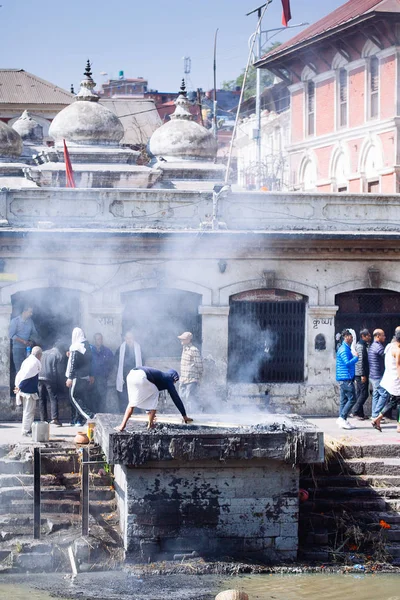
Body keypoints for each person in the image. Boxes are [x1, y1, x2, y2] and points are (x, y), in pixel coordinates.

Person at [115, 367, 193, 431]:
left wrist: (149, 411)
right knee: (155, 393)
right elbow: (176, 398)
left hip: (131, 374)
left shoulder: (161, 375)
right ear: (174, 378)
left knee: (132, 403)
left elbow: (147, 394)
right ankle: (150, 424)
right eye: (175, 382)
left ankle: (122, 425)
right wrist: (184, 415)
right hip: (142, 377)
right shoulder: (169, 379)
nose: (174, 384)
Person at [372, 329, 400, 433]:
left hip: (389, 379)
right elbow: (398, 367)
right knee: (397, 403)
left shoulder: (389, 347)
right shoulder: (397, 350)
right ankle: (399, 426)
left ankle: (377, 419)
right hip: (396, 381)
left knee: (393, 402)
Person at [66, 328, 94, 426]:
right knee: (80, 399)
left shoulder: (75, 347)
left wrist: (70, 377)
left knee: (74, 398)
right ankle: (78, 420)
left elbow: (73, 364)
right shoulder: (87, 346)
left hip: (76, 377)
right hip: (84, 377)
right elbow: (89, 362)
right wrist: (90, 374)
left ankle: (90, 417)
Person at [14, 346, 42, 436]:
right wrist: (19, 387)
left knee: (28, 411)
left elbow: (21, 374)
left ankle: (27, 429)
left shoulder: (28, 360)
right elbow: (26, 376)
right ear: (39, 355)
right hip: (28, 391)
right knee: (28, 412)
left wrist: (19, 386)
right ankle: (26, 431)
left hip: (27, 390)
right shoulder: (33, 363)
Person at [38, 341, 67, 427]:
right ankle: (54, 419)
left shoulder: (43, 352)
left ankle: (43, 419)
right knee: (53, 398)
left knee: (41, 399)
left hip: (39, 377)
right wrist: (59, 381)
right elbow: (58, 370)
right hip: (50, 378)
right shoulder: (58, 354)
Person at [336, 329, 358, 429]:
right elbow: (347, 363)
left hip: (344, 378)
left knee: (344, 400)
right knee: (353, 399)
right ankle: (342, 418)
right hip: (345, 378)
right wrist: (356, 357)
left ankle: (343, 420)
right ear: (346, 337)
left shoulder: (346, 348)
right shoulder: (344, 349)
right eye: (351, 336)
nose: (352, 338)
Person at [115, 331, 143, 413]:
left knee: (135, 397)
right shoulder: (121, 348)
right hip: (124, 378)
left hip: (135, 377)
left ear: (133, 338)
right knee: (124, 398)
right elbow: (116, 360)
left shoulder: (138, 348)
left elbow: (142, 361)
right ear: (124, 338)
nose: (129, 340)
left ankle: (136, 414)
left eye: (130, 338)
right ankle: (124, 414)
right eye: (127, 338)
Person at [178, 331, 203, 412]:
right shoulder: (184, 349)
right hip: (183, 378)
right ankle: (185, 413)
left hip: (191, 378)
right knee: (182, 396)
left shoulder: (194, 350)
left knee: (190, 397)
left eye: (183, 339)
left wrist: (199, 376)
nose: (181, 340)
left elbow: (199, 364)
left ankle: (193, 413)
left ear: (188, 340)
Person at [9, 306, 39, 372]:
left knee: (28, 368)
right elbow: (11, 335)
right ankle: (19, 382)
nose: (31, 314)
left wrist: (31, 341)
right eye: (30, 312)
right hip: (17, 349)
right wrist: (23, 341)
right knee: (19, 369)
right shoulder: (15, 321)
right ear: (24, 312)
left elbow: (34, 333)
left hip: (27, 349)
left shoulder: (30, 321)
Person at [368, 329, 390, 418]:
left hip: (373, 375)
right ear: (378, 336)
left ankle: (374, 414)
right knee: (385, 394)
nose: (384, 337)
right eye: (383, 335)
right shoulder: (378, 347)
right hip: (377, 376)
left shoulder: (373, 346)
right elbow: (387, 357)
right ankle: (376, 414)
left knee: (376, 395)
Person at [90, 333, 114, 413]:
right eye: (97, 339)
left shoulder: (107, 351)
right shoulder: (90, 350)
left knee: (102, 397)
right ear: (94, 340)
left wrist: (106, 371)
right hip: (92, 378)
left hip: (102, 377)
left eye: (100, 339)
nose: (99, 340)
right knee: (93, 397)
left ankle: (101, 414)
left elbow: (112, 363)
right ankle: (93, 414)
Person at [351, 329, 371, 420]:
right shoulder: (360, 346)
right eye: (368, 336)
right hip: (360, 374)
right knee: (364, 394)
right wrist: (363, 374)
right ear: (363, 336)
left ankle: (360, 414)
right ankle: (355, 411)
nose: (369, 337)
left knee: (360, 393)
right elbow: (361, 361)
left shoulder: (362, 345)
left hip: (359, 373)